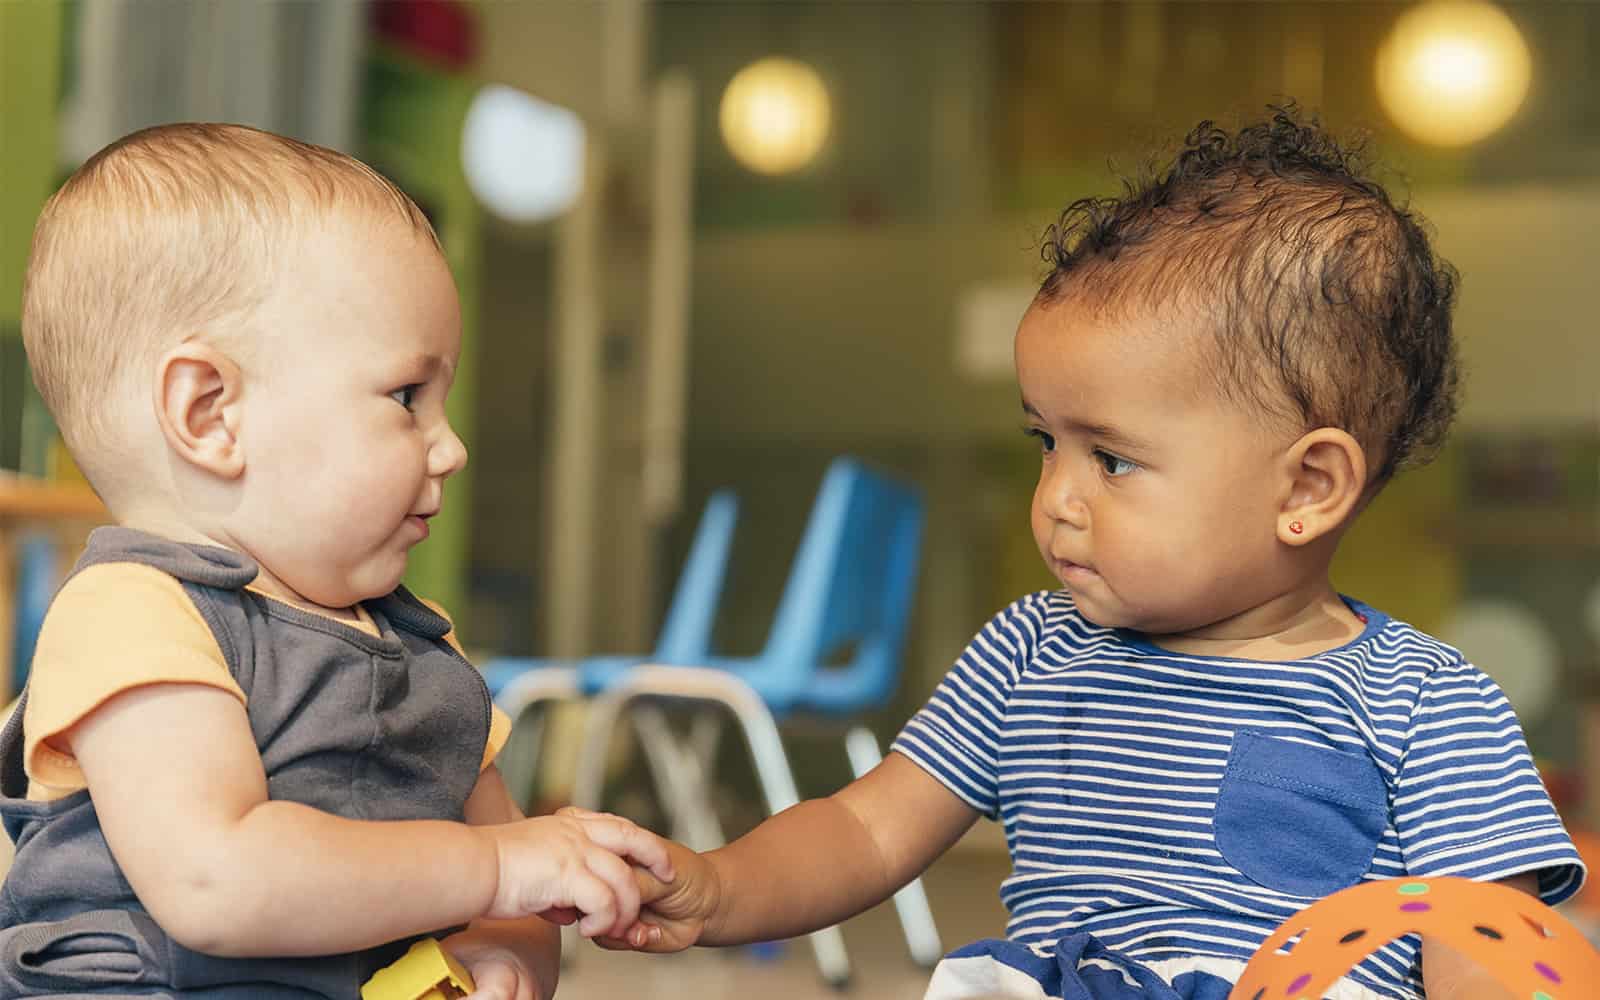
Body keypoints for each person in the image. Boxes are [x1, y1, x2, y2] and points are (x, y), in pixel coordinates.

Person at [606, 107, 1586, 999]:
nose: (1056, 499)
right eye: (1046, 442)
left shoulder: (1427, 702)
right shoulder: (1029, 651)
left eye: (1112, 459)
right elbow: (864, 828)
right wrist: (719, 885)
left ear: (1305, 488)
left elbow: (1481, 939)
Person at [0, 122, 673, 1000]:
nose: (451, 447)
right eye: (406, 397)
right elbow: (218, 882)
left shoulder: (426, 654)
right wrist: (494, 867)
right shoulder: (135, 614)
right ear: (210, 415)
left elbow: (511, 899)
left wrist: (507, 955)